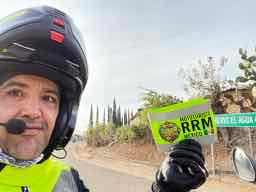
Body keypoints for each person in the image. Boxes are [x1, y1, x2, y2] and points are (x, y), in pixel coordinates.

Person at [0, 5, 208, 192]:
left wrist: (164, 189)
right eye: (15, 92)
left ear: (64, 117)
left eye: (48, 98)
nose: (33, 111)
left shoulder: (65, 179)